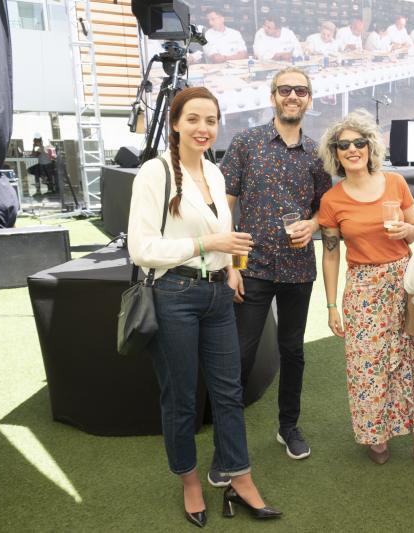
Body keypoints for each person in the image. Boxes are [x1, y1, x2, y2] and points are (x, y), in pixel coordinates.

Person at [127, 87, 281, 526]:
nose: (203, 128)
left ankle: (240, 475)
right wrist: (206, 244)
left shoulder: (215, 172)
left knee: (229, 391)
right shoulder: (154, 173)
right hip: (173, 295)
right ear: (175, 123)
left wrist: (231, 265)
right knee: (180, 398)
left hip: (216, 294)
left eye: (211, 120)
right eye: (193, 119)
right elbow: (141, 248)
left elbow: (224, 231)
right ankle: (190, 482)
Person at [317, 110, 414, 465]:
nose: (353, 149)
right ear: (336, 153)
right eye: (344, 145)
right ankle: (375, 436)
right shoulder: (332, 200)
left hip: (404, 281)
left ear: (370, 146)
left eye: (359, 142)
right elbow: (331, 256)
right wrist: (331, 307)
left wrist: (408, 231)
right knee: (367, 364)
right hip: (363, 287)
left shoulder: (395, 183)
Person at [220, 67, 331, 473]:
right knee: (240, 357)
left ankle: (289, 426)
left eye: (300, 91)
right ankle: (226, 447)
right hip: (252, 266)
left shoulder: (318, 154)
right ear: (273, 97)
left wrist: (313, 224)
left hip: (299, 269)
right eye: (285, 90)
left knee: (293, 351)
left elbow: (326, 207)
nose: (292, 96)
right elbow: (224, 205)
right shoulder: (246, 142)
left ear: (309, 99)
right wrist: (231, 265)